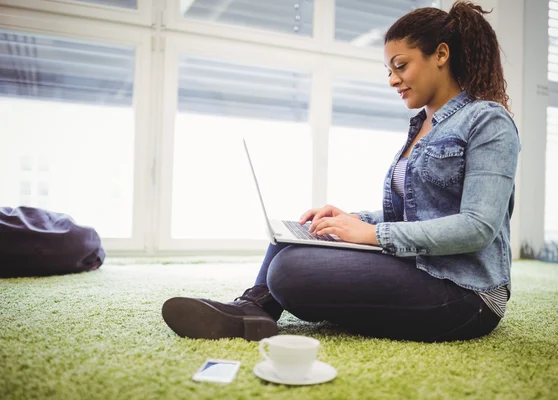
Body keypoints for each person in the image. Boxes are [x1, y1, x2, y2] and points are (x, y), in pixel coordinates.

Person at [161, 0, 520, 343]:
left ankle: (259, 308)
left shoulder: (488, 121)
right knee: (299, 233)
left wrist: (372, 234)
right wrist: (350, 219)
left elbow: (478, 227)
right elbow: (417, 212)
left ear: (441, 54)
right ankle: (253, 309)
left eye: (400, 65)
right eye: (389, 70)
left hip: (467, 294)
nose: (393, 80)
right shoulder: (422, 126)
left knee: (288, 272)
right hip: (421, 265)